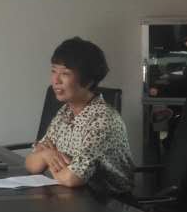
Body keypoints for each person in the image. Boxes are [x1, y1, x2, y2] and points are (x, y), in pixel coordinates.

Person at [22, 37, 133, 194]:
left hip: (109, 203)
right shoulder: (65, 112)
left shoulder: (103, 119)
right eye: (53, 71)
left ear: (88, 81)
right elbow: (31, 163)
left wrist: (47, 162)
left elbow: (72, 178)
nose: (55, 80)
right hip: (73, 197)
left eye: (65, 73)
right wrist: (47, 155)